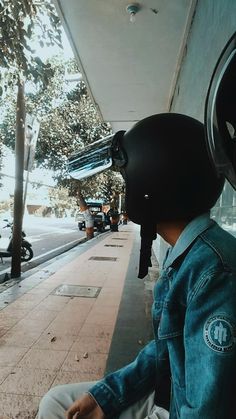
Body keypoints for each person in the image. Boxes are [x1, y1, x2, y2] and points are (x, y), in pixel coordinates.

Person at [37, 112, 236, 419]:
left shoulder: (212, 272)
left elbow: (208, 407)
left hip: (181, 408)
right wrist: (106, 396)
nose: (127, 188)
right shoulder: (188, 252)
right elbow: (165, 349)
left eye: (128, 179)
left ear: (153, 181)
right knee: (57, 403)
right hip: (172, 393)